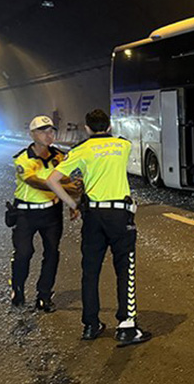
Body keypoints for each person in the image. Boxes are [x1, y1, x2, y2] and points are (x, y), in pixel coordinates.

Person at [46, 109, 152, 346]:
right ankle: (127, 326)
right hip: (119, 215)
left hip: (93, 216)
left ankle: (90, 325)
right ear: (109, 126)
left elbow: (51, 180)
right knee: (125, 268)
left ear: (87, 128)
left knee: (90, 271)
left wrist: (73, 203)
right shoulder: (122, 145)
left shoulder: (80, 150)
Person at [9, 115, 79, 312]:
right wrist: (63, 186)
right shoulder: (23, 158)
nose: (48, 135)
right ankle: (17, 288)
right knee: (24, 253)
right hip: (25, 213)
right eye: (42, 132)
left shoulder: (59, 156)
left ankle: (44, 295)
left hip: (52, 213)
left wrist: (71, 203)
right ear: (32, 134)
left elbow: (70, 179)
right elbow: (35, 182)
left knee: (52, 252)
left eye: (51, 131)